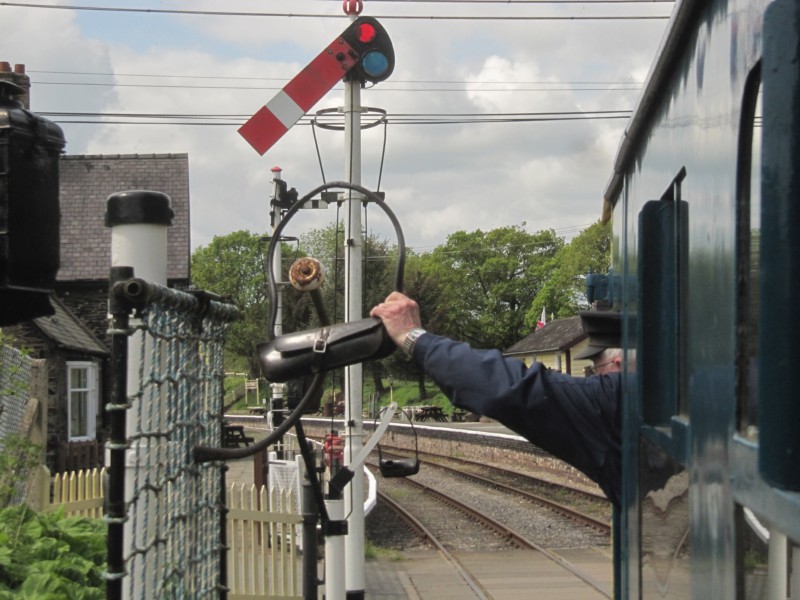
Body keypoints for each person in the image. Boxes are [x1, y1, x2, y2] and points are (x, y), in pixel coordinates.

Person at [370, 291, 623, 507]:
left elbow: (506, 388)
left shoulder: (620, 401)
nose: (596, 379)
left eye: (600, 368)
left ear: (619, 363)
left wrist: (411, 335)